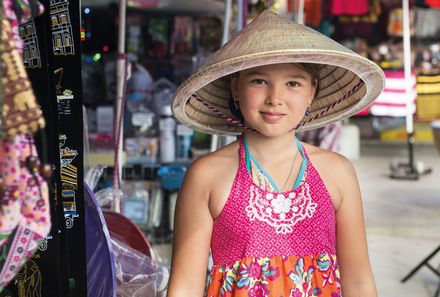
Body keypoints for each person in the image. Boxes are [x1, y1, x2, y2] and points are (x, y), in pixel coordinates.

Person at [167, 10, 385, 297]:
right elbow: (185, 287)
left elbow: (359, 281)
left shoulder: (337, 172)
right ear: (236, 87)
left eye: (293, 83)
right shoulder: (207, 175)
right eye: (259, 81)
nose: (275, 98)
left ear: (311, 92)